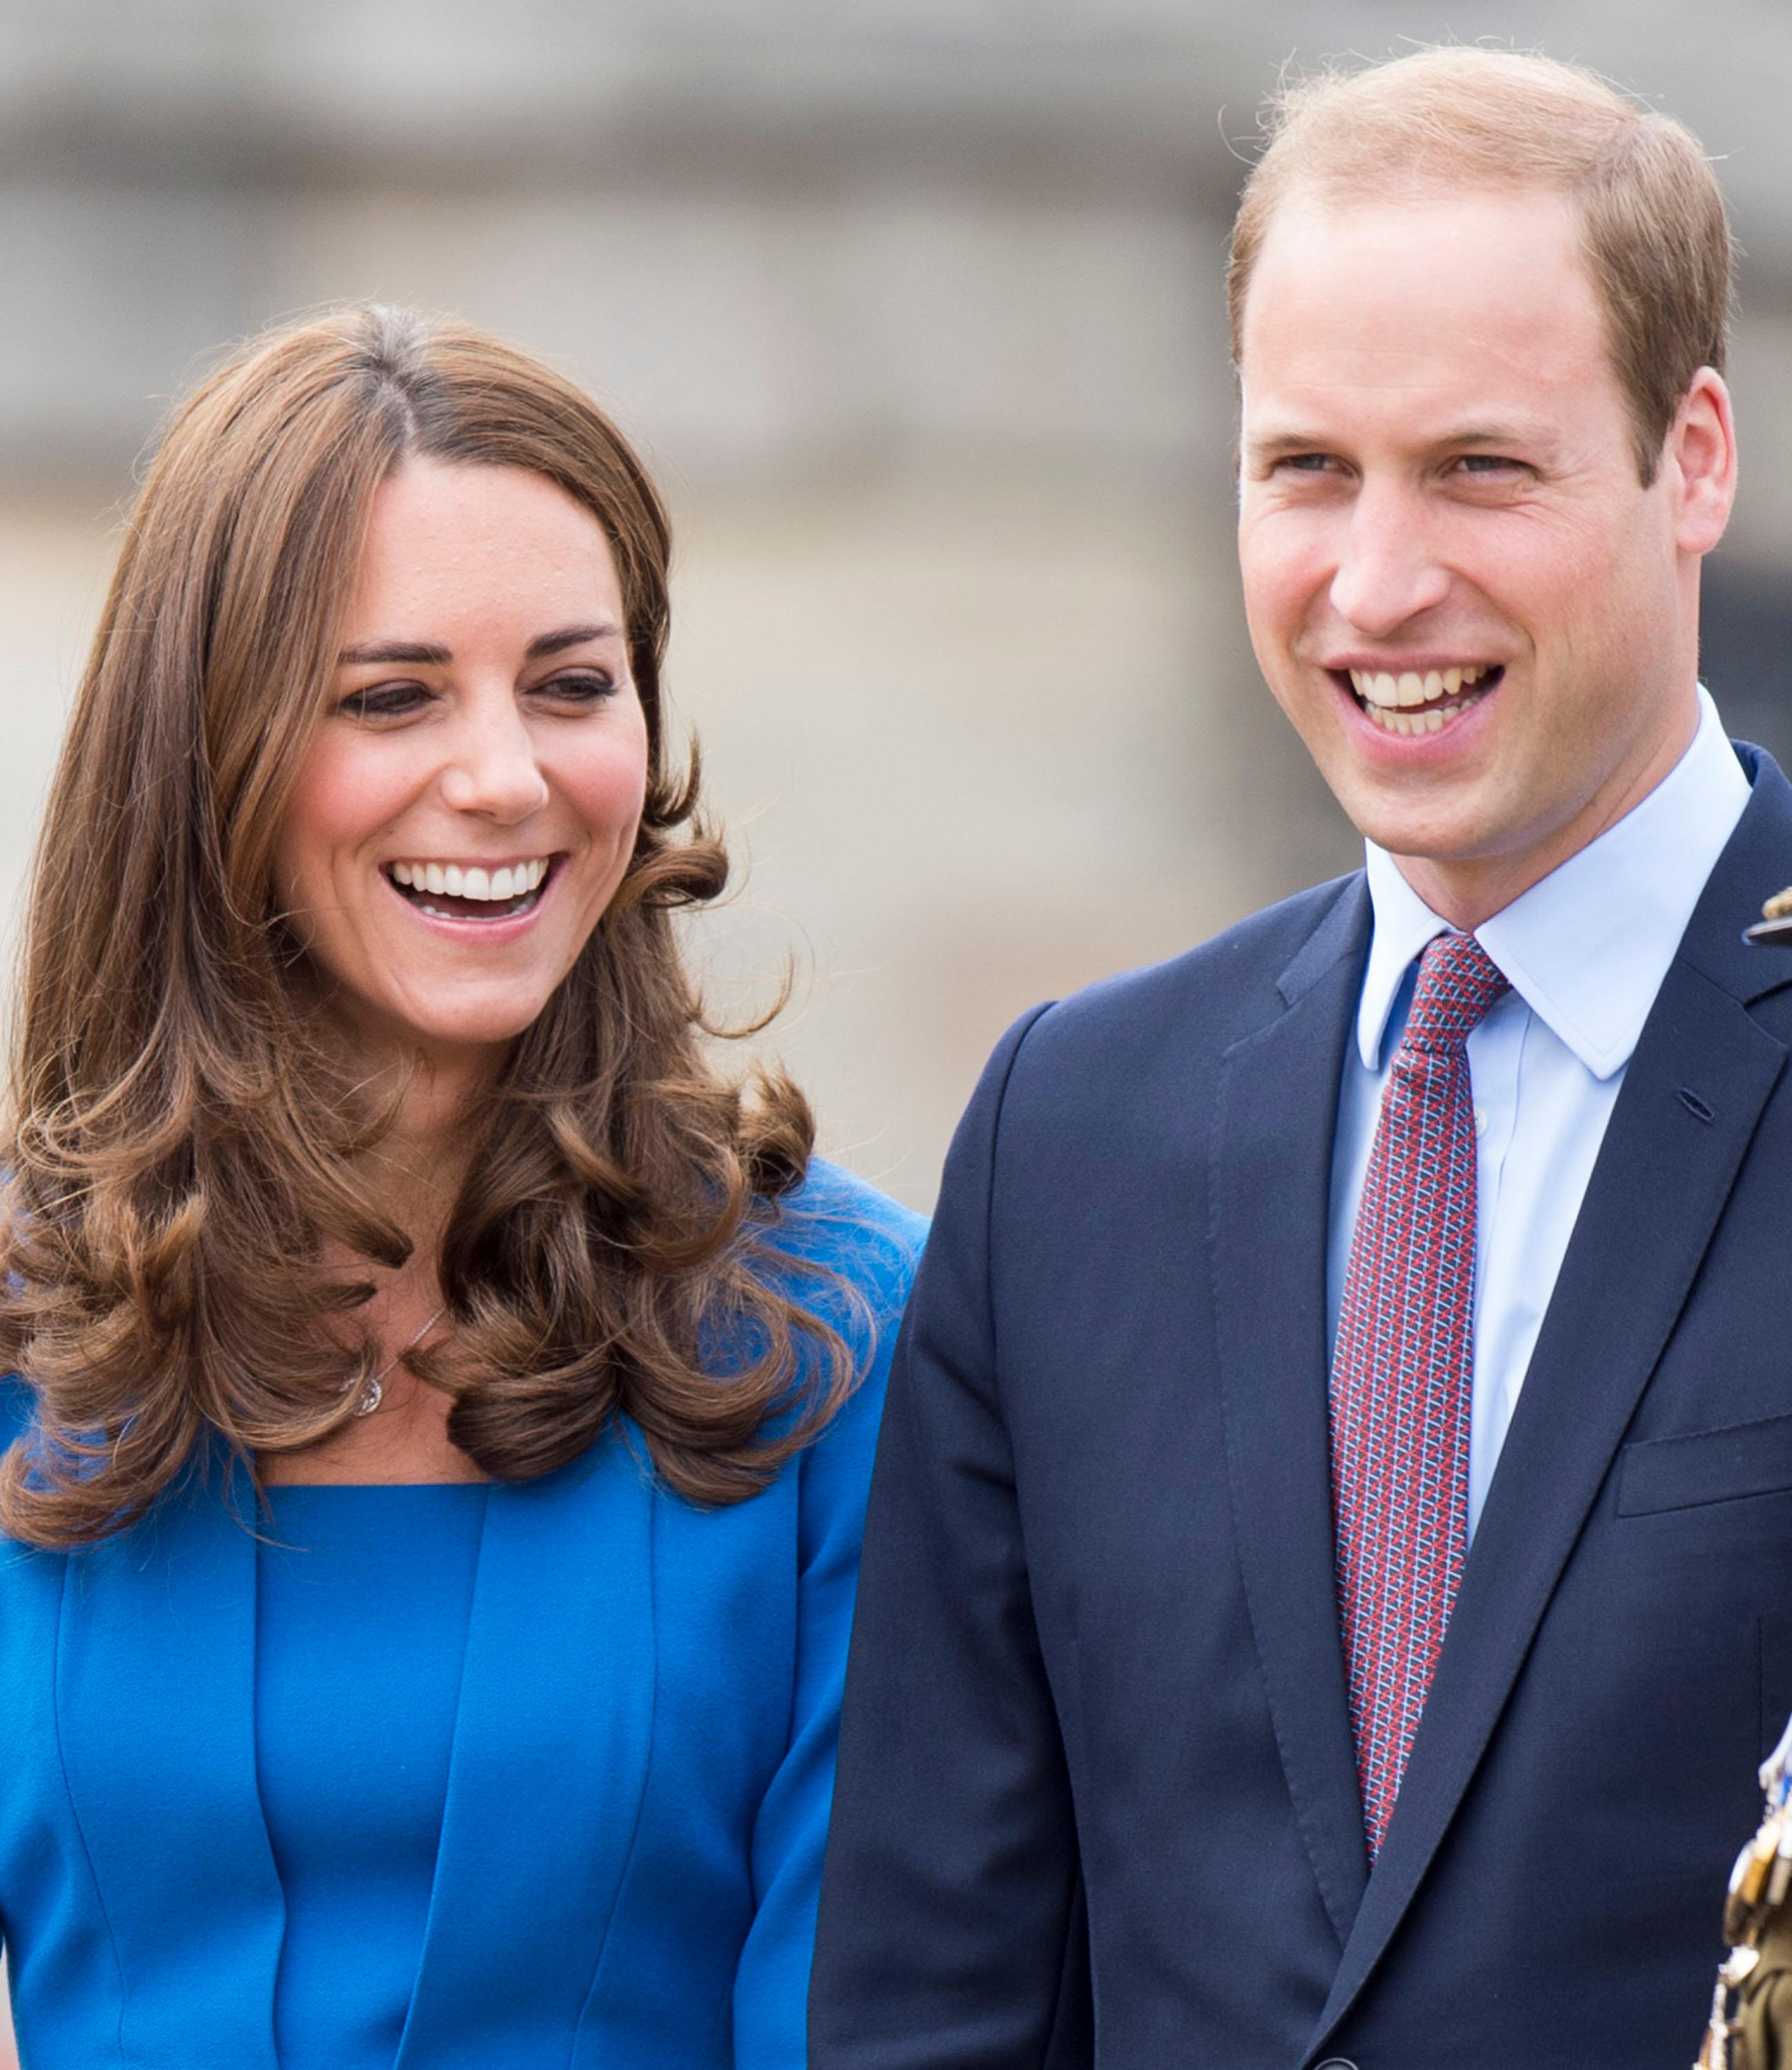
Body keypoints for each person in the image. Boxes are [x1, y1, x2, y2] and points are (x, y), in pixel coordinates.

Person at [809, 45, 1792, 2070]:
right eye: (1303, 469)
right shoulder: (1064, 1137)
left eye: (1474, 469)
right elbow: (943, 1998)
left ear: (1690, 456)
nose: (1372, 581)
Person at [0, 304, 923, 2069]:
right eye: (391, 696)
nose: (503, 778)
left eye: (573, 686)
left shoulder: (846, 1341)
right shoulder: (23, 1321)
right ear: (210, 756)